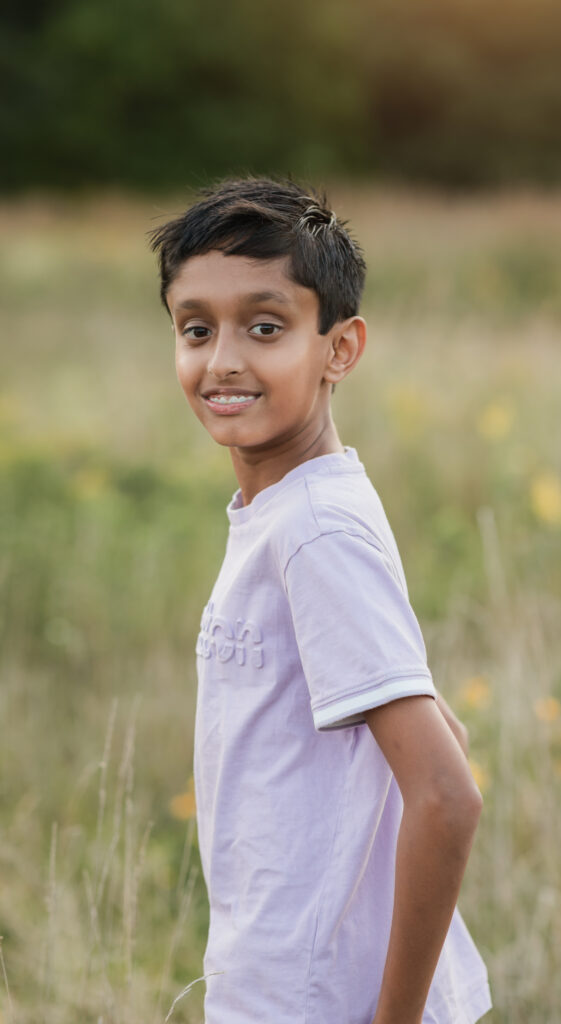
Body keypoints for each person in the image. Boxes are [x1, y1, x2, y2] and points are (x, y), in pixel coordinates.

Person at [149, 177, 493, 1024]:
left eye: (265, 327)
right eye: (197, 329)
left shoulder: (314, 530)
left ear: (340, 348)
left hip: (317, 1003)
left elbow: (447, 795)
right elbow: (439, 725)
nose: (223, 358)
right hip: (277, 984)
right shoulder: (294, 507)